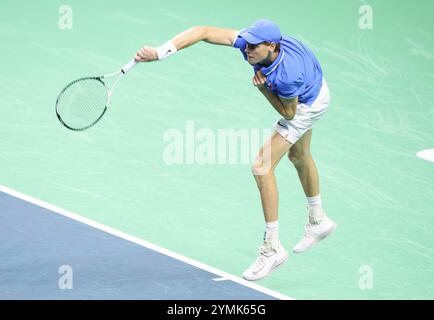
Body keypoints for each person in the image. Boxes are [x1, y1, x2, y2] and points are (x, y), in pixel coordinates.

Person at [135, 19, 337, 281]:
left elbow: (289, 113)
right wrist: (160, 52)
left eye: (254, 46)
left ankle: (272, 248)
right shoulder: (254, 45)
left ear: (271, 46)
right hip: (315, 88)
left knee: (261, 167)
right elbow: (203, 31)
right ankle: (318, 220)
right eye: (247, 43)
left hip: (306, 104)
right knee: (298, 155)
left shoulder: (287, 75)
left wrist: (264, 89)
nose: (247, 50)